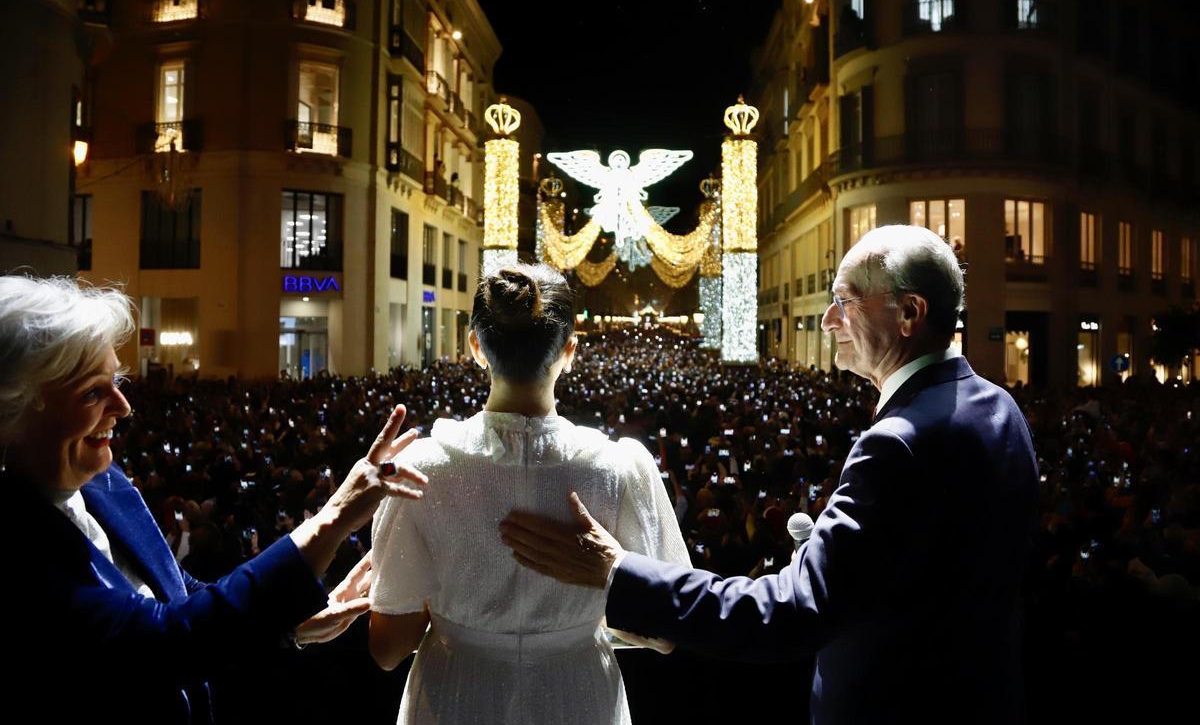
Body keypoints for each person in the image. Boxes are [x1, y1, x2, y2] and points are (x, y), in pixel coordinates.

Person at [500, 226, 1040, 723]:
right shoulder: (997, 407)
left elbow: (789, 614)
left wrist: (618, 570)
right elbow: (934, 568)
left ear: (909, 312)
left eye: (845, 301)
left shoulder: (898, 443)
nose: (829, 319)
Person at [0, 275, 428, 724]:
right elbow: (161, 642)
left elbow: (179, 594)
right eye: (93, 391)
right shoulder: (15, 541)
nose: (124, 406)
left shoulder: (107, 483)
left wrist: (288, 625)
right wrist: (335, 516)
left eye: (117, 380)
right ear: (15, 409)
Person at [368, 264, 690, 725]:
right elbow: (665, 627)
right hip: (578, 696)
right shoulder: (618, 468)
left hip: (457, 696)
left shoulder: (420, 470)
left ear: (476, 347)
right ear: (570, 351)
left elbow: (388, 648)